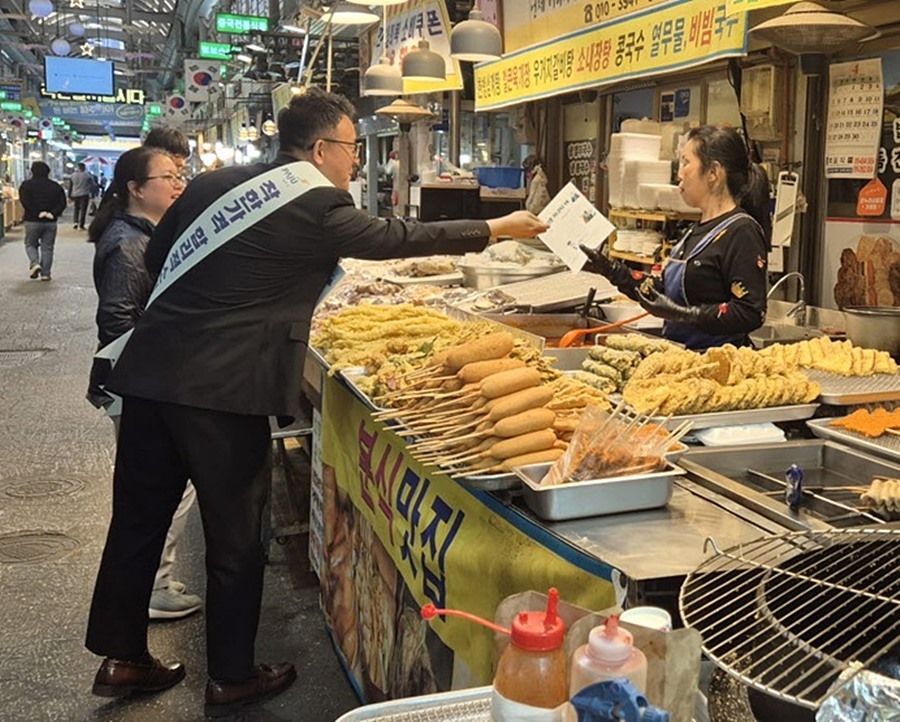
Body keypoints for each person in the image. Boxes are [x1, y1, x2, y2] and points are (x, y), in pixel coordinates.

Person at [84, 87, 548, 717]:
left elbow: (162, 258)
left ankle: (122, 658)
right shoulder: (315, 201)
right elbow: (395, 237)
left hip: (150, 376)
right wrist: (494, 228)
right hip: (224, 394)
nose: (357, 162)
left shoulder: (212, 185)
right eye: (354, 148)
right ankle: (232, 674)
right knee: (236, 537)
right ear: (322, 148)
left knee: (138, 520)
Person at [86, 146, 203, 622]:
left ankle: (155, 581)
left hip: (147, 380)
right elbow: (116, 317)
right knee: (163, 489)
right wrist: (147, 377)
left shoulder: (147, 233)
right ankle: (154, 587)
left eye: (180, 176)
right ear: (135, 189)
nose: (178, 185)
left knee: (159, 488)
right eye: (167, 178)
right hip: (140, 384)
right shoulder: (126, 243)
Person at [583, 124, 770, 350]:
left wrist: (685, 314)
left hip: (717, 366)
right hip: (681, 358)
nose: (679, 174)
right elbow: (660, 289)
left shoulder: (741, 231)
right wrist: (611, 271)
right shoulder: (695, 230)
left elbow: (750, 312)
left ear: (713, 173)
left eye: (686, 162)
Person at [18, 161, 66, 280]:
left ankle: (35, 263)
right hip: (50, 222)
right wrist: (52, 213)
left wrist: (37, 213)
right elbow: (62, 203)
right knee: (47, 248)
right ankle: (46, 274)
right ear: (48, 172)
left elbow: (25, 202)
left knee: (30, 244)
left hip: (32, 220)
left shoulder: (26, 185)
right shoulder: (55, 186)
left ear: (32, 171)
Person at [69, 162, 93, 230]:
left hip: (75, 194)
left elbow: (70, 186)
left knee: (76, 208)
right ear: (84, 168)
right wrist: (92, 193)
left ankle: (75, 222)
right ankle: (81, 224)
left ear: (78, 167)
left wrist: (69, 195)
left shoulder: (72, 175)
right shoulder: (88, 175)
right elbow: (92, 185)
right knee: (83, 209)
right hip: (84, 194)